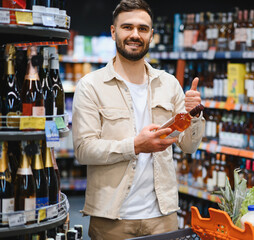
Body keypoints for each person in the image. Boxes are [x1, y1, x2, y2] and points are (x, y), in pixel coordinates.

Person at [71, 0, 205, 239]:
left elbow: (188, 146)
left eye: (143, 29)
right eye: (127, 27)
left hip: (163, 217)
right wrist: (135, 146)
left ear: (151, 35)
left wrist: (195, 115)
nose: (135, 34)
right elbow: (83, 150)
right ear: (113, 32)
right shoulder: (91, 86)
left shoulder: (169, 83)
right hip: (112, 219)